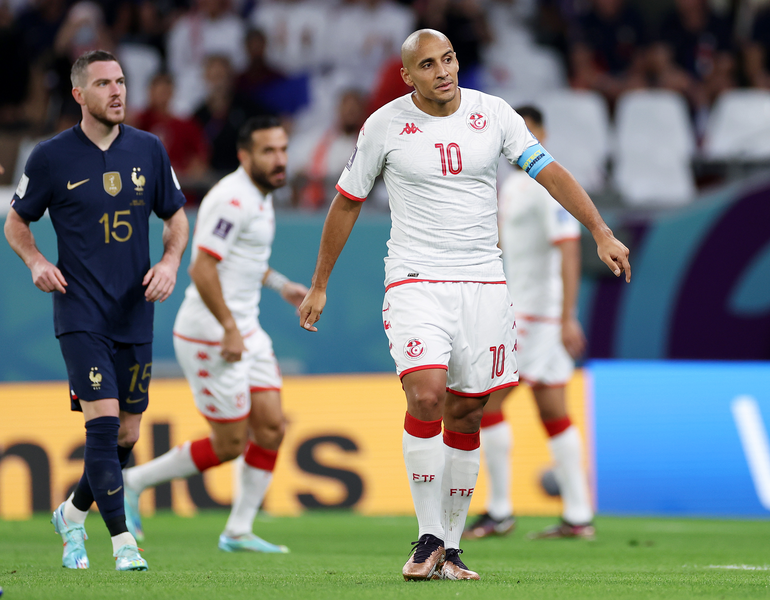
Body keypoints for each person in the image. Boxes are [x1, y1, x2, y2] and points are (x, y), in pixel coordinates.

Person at [298, 29, 630, 582]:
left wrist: (598, 229)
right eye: (428, 65)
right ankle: (429, 533)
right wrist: (319, 283)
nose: (443, 71)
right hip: (415, 279)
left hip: (483, 284)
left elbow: (549, 171)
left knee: (470, 410)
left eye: (448, 59)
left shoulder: (493, 113)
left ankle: (450, 549)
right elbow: (347, 203)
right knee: (426, 392)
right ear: (408, 76)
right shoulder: (384, 125)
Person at [4, 49, 189, 571]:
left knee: (128, 434)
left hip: (135, 312)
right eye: (105, 83)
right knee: (104, 428)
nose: (118, 91)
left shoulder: (149, 150)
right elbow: (16, 222)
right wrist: (36, 259)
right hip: (80, 312)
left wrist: (171, 262)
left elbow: (175, 215)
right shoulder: (49, 157)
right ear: (79, 94)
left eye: (122, 81)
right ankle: (122, 541)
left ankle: (70, 513)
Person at [122, 115, 306, 554]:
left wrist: (281, 285)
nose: (279, 159)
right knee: (229, 444)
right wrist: (228, 328)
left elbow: (239, 260)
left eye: (282, 149)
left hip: (247, 327)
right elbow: (201, 266)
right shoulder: (231, 199)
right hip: (211, 332)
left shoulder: (262, 196)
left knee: (272, 427)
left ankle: (238, 531)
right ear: (245, 156)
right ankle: (134, 481)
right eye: (268, 151)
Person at [463, 105, 594, 542]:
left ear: (541, 132)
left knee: (488, 404)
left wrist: (566, 316)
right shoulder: (513, 187)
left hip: (537, 317)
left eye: (529, 129)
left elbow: (569, 248)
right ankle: (577, 516)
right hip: (519, 311)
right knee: (550, 409)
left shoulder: (546, 186)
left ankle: (500, 510)